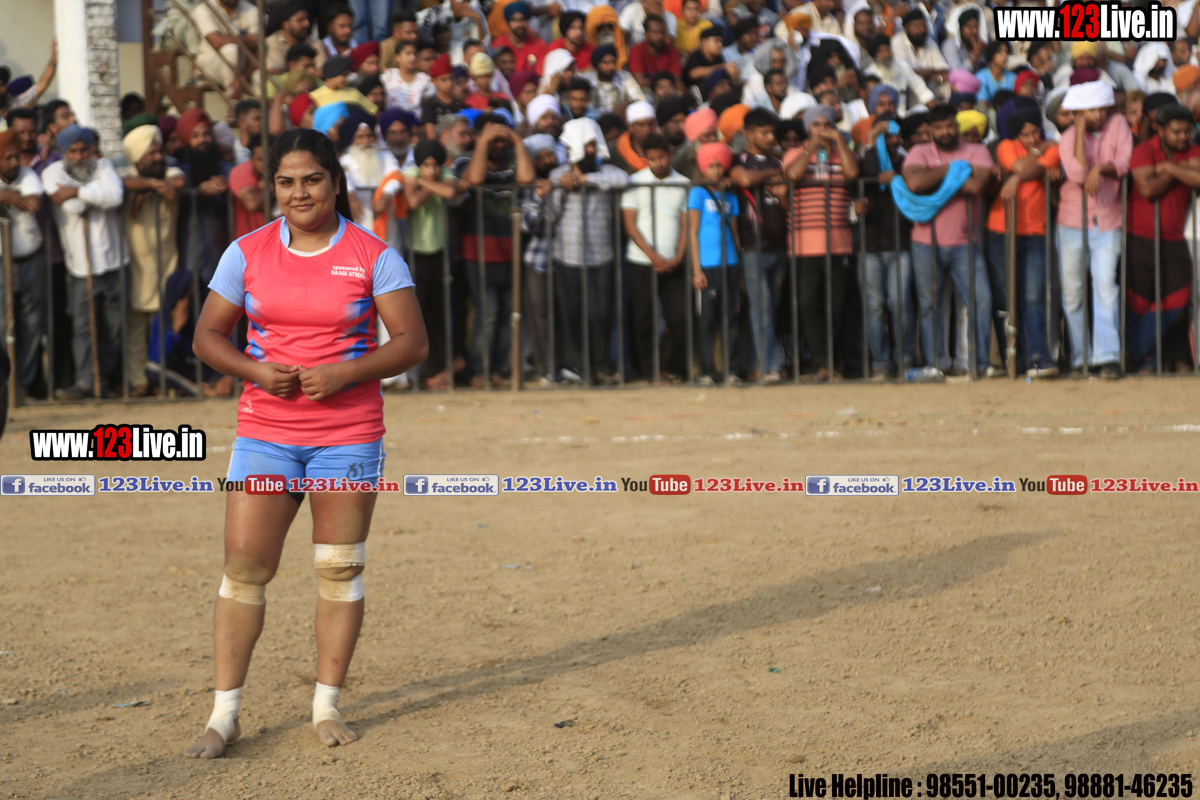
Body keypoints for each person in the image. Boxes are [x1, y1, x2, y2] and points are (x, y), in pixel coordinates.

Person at [187, 127, 425, 758]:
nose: (300, 193)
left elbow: (412, 343)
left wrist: (346, 373)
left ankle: (326, 706)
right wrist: (255, 371)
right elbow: (208, 336)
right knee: (244, 568)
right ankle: (224, 716)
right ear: (273, 187)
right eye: (286, 182)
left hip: (348, 434)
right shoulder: (246, 251)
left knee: (338, 568)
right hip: (265, 430)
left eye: (312, 180)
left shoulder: (374, 254)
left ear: (335, 182)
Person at [901, 103, 996, 378]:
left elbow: (975, 186)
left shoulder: (977, 150)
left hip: (965, 242)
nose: (946, 132)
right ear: (930, 130)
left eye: (950, 125)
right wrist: (951, 170)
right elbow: (914, 184)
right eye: (939, 127)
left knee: (980, 300)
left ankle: (979, 364)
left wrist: (932, 174)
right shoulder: (919, 151)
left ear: (957, 125)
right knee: (930, 305)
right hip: (924, 242)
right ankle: (937, 365)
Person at [42, 126, 127, 400]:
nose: (79, 157)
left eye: (83, 150)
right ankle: (84, 382)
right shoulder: (52, 172)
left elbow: (115, 196)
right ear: (63, 153)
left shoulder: (103, 166)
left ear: (91, 150)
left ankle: (104, 382)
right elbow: (73, 207)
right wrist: (92, 194)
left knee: (113, 327)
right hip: (80, 267)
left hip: (113, 262)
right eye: (73, 151)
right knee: (82, 327)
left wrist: (76, 191)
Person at [546, 117, 631, 385]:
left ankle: (602, 366)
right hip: (567, 257)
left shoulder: (606, 171)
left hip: (600, 256)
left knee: (601, 315)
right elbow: (550, 217)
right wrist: (560, 188)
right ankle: (580, 368)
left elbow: (623, 179)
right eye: (587, 145)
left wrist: (584, 179)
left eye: (594, 144)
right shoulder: (557, 175)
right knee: (572, 316)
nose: (592, 150)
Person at [1057, 80, 1131, 379]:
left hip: (1109, 219)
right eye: (1090, 110)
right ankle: (1080, 358)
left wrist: (1099, 168)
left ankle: (1107, 357)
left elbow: (1125, 161)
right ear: (1078, 112)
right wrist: (1078, 131)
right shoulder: (1068, 137)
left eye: (1102, 108)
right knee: (1073, 292)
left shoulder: (1119, 123)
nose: (1098, 114)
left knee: (1105, 287)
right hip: (1071, 222)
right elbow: (1076, 174)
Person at [456, 114, 535, 387]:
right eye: (493, 139)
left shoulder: (513, 158)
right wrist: (483, 142)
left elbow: (527, 179)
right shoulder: (466, 159)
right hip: (478, 252)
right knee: (487, 314)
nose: (499, 145)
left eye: (503, 140)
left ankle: (497, 369)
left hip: (510, 250)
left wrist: (517, 141)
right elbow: (475, 179)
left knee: (506, 316)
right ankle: (478, 370)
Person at [782, 105, 859, 381]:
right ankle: (821, 363)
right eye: (817, 125)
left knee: (835, 307)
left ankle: (833, 364)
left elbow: (851, 173)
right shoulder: (795, 152)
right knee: (807, 302)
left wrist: (839, 141)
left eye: (828, 125)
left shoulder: (842, 152)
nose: (823, 130)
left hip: (838, 243)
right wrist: (811, 148)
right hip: (804, 244)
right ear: (808, 128)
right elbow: (793, 175)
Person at [985, 107, 1060, 378]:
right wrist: (1034, 158)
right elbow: (1019, 166)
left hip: (1034, 232)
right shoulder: (1006, 146)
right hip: (1000, 230)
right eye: (1025, 135)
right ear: (1015, 135)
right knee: (1005, 299)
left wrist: (1017, 176)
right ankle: (1011, 359)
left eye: (1035, 133)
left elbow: (1022, 169)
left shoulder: (1053, 148)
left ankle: (1038, 357)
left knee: (1033, 297)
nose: (1032, 139)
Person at [116, 124, 188, 398]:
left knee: (164, 326)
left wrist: (154, 185)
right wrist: (150, 185)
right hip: (135, 268)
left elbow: (181, 181)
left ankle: (162, 379)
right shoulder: (123, 174)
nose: (158, 157)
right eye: (152, 153)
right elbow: (122, 183)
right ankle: (139, 382)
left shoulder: (170, 173)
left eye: (159, 151)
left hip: (166, 268)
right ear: (138, 158)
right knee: (136, 329)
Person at [1127, 102, 1200, 373]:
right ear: (1160, 130)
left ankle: (1133, 350)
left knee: (1179, 297)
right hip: (1140, 236)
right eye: (1176, 132)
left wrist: (1168, 168)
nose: (1184, 137)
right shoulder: (1144, 150)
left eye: (1187, 131)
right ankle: (1145, 359)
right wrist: (1180, 171)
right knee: (1138, 301)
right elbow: (1147, 188)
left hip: (1174, 238)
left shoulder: (1192, 150)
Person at [621, 132, 689, 382]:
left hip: (674, 262)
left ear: (669, 154)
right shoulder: (635, 182)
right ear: (645, 158)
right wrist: (653, 257)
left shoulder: (683, 183)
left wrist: (678, 256)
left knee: (681, 316)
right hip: (642, 261)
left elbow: (686, 224)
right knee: (643, 318)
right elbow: (630, 225)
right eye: (652, 159)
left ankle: (671, 367)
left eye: (661, 157)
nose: (657, 163)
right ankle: (649, 370)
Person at [404, 139, 470, 389]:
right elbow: (412, 201)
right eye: (426, 165)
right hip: (416, 252)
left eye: (435, 165)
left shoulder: (439, 175)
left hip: (440, 252)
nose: (431, 170)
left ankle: (443, 367)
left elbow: (450, 192)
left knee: (442, 312)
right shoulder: (412, 172)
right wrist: (433, 186)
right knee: (421, 312)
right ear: (419, 164)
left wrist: (423, 183)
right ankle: (434, 367)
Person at [731, 108, 788, 384]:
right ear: (748, 133)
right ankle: (771, 367)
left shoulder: (779, 161)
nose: (770, 137)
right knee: (761, 308)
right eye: (764, 132)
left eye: (771, 132)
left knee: (769, 308)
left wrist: (781, 190)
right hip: (752, 247)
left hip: (780, 247)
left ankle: (756, 364)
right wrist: (770, 174)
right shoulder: (739, 159)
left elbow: (787, 202)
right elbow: (743, 179)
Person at [856, 113, 915, 378]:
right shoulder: (865, 159)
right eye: (884, 134)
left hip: (900, 244)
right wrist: (872, 142)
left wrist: (896, 176)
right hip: (870, 246)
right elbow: (868, 173)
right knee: (874, 306)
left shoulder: (906, 160)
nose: (891, 140)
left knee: (899, 303)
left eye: (894, 134)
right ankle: (880, 362)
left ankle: (905, 359)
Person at [688, 142, 740, 386]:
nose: (716, 170)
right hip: (707, 266)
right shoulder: (697, 194)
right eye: (711, 165)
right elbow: (693, 231)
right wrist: (696, 270)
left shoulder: (731, 196)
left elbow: (735, 233)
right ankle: (707, 370)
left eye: (720, 165)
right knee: (707, 319)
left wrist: (739, 266)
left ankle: (731, 370)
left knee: (730, 319)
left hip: (730, 263)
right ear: (703, 167)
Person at [0, 127, 44, 401]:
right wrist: (9, 197)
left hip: (29, 260)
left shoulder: (28, 175)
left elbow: (33, 203)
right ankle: (4, 387)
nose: (15, 162)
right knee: (2, 326)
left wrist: (10, 197)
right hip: (1, 265)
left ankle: (22, 386)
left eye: (16, 156)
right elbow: (19, 200)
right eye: (8, 158)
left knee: (32, 324)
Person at [194, 0, 261, 98]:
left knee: (260, 74)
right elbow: (217, 41)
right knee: (231, 50)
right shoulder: (204, 9)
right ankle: (233, 99)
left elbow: (256, 50)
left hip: (242, 66)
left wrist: (243, 78)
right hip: (210, 65)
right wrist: (250, 38)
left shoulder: (252, 10)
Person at [230, 133, 274, 241]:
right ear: (251, 158)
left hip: (276, 239)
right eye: (261, 159)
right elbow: (252, 204)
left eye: (270, 159)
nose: (267, 164)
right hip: (250, 241)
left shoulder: (280, 170)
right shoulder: (241, 171)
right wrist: (275, 185)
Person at [581, 43, 647, 115]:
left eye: (613, 62)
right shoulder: (586, 80)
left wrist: (623, 107)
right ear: (597, 64)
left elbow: (640, 101)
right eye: (606, 63)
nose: (612, 66)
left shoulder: (624, 77)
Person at [266, 2, 325, 75]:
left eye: (307, 19)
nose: (307, 24)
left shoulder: (314, 42)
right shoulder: (273, 42)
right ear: (286, 24)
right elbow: (276, 72)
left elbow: (322, 71)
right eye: (300, 20)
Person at [629, 14, 682, 89]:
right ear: (646, 34)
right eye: (655, 33)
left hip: (668, 89)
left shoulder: (672, 50)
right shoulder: (636, 50)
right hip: (647, 89)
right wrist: (663, 83)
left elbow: (676, 80)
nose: (660, 36)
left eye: (662, 32)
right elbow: (641, 82)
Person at [312, 55, 379, 115]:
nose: (347, 79)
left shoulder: (353, 92)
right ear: (332, 74)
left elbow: (373, 111)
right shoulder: (314, 96)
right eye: (344, 75)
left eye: (348, 75)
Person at [493, 1, 548, 73]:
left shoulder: (539, 45)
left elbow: (540, 73)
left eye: (523, 19)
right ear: (508, 22)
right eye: (514, 20)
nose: (519, 24)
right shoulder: (498, 45)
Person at [381, 40, 431, 116]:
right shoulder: (388, 76)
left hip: (417, 121)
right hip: (393, 120)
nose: (413, 57)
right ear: (397, 57)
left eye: (414, 54)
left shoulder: (424, 79)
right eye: (408, 53)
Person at [422, 54, 466, 140]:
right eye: (443, 80)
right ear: (434, 81)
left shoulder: (459, 104)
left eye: (451, 78)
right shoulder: (430, 104)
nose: (449, 83)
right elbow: (431, 135)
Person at [611, 100, 657, 173]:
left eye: (650, 124)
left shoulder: (665, 144)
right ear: (630, 126)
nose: (647, 129)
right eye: (641, 125)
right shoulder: (614, 150)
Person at [379, 11, 420, 78]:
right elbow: (382, 73)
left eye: (416, 32)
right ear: (396, 32)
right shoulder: (384, 48)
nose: (414, 36)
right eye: (409, 32)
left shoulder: (418, 46)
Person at [975, 41, 1015, 106]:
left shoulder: (1013, 77)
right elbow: (982, 102)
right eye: (999, 52)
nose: (1005, 55)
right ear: (991, 53)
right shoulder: (980, 77)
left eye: (1006, 52)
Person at [232, 100, 263, 165]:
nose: (262, 122)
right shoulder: (232, 151)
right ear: (242, 123)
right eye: (256, 119)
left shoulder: (269, 147)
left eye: (263, 119)